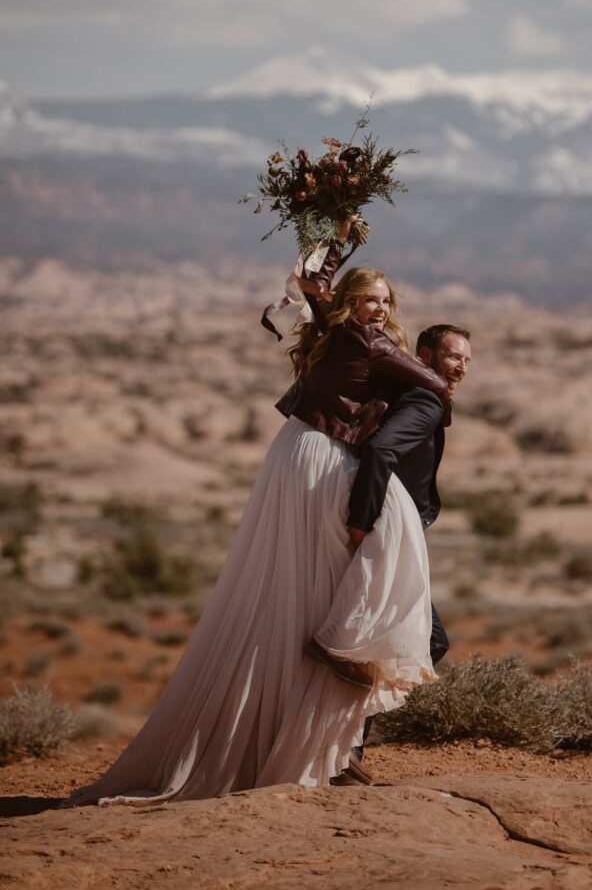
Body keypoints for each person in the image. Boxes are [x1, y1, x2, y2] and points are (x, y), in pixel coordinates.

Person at [60, 232, 449, 806]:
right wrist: (420, 381)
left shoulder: (328, 326)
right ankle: (342, 662)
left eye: (387, 302)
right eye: (372, 300)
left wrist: (339, 235)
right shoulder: (368, 342)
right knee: (370, 558)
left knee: (294, 583)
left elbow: (315, 281)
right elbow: (437, 385)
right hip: (323, 455)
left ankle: (323, 721)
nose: (381, 310)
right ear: (353, 303)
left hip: (293, 453)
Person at [342, 324, 472, 781]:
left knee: (377, 638)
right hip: (385, 537)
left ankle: (345, 747)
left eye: (466, 361)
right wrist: (362, 525)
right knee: (425, 639)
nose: (461, 367)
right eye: (454, 356)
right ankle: (346, 747)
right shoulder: (426, 399)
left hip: (391, 533)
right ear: (426, 354)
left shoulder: (411, 391)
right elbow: (380, 452)